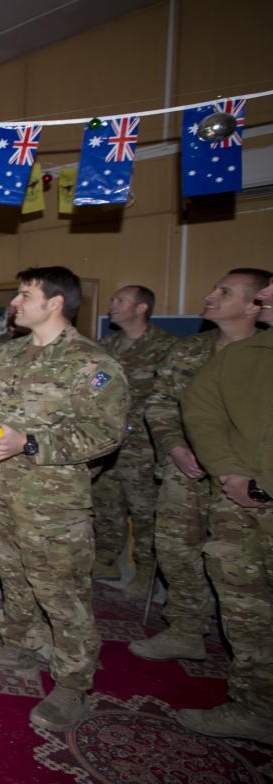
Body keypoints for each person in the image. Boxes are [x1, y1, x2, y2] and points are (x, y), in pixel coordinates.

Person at [0, 266, 127, 732]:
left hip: (53, 503)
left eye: (25, 294)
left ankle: (74, 684)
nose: (15, 301)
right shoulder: (5, 356)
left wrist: (29, 443)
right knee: (11, 573)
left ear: (55, 303)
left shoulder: (92, 363)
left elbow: (106, 434)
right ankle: (18, 645)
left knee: (62, 592)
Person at [131, 269, 269, 663]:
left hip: (246, 479)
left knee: (242, 570)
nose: (209, 296)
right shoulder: (189, 350)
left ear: (252, 304)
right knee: (177, 550)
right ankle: (186, 629)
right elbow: (159, 403)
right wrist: (174, 445)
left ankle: (253, 664)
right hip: (185, 472)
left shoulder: (265, 352)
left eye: (223, 292)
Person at [176, 274, 273, 745]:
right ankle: (255, 707)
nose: (266, 296)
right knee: (246, 604)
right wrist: (228, 469)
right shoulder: (232, 357)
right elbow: (195, 410)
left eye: (226, 293)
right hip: (234, 492)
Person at [90, 285, 177, 596]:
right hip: (105, 443)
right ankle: (106, 558)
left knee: (144, 511)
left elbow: (171, 399)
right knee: (105, 503)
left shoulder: (167, 346)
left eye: (120, 300)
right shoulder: (105, 346)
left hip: (144, 446)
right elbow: (92, 387)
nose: (112, 305)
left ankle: (146, 570)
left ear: (141, 308)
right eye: (112, 299)